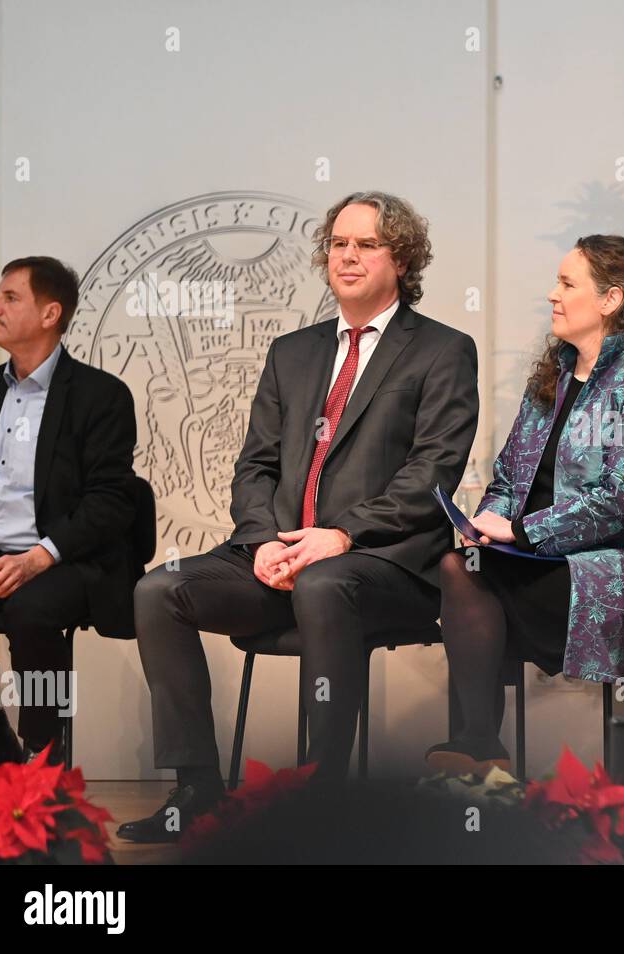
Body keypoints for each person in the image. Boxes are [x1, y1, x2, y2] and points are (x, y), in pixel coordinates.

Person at [118, 192, 479, 841]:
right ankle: (196, 787)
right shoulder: (294, 351)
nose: (347, 255)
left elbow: (433, 474)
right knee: (158, 588)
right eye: (339, 243)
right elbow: (253, 466)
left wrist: (341, 535)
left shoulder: (442, 350)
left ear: (401, 258)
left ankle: (322, 794)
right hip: (277, 559)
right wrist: (261, 543)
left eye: (366, 243)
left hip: (382, 565)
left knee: (323, 580)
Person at [424, 235, 624, 774]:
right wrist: (486, 524)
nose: (552, 295)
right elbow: (507, 479)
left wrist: (522, 530)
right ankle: (478, 748)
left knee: (467, 582)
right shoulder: (553, 378)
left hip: (603, 566)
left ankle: (477, 749)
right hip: (533, 556)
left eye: (567, 284)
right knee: (460, 562)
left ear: (610, 300)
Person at [0, 257, 137, 767]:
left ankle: (41, 757)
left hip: (64, 560)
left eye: (9, 298)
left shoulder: (100, 396)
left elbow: (110, 500)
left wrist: (38, 558)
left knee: (32, 610)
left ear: (50, 314)